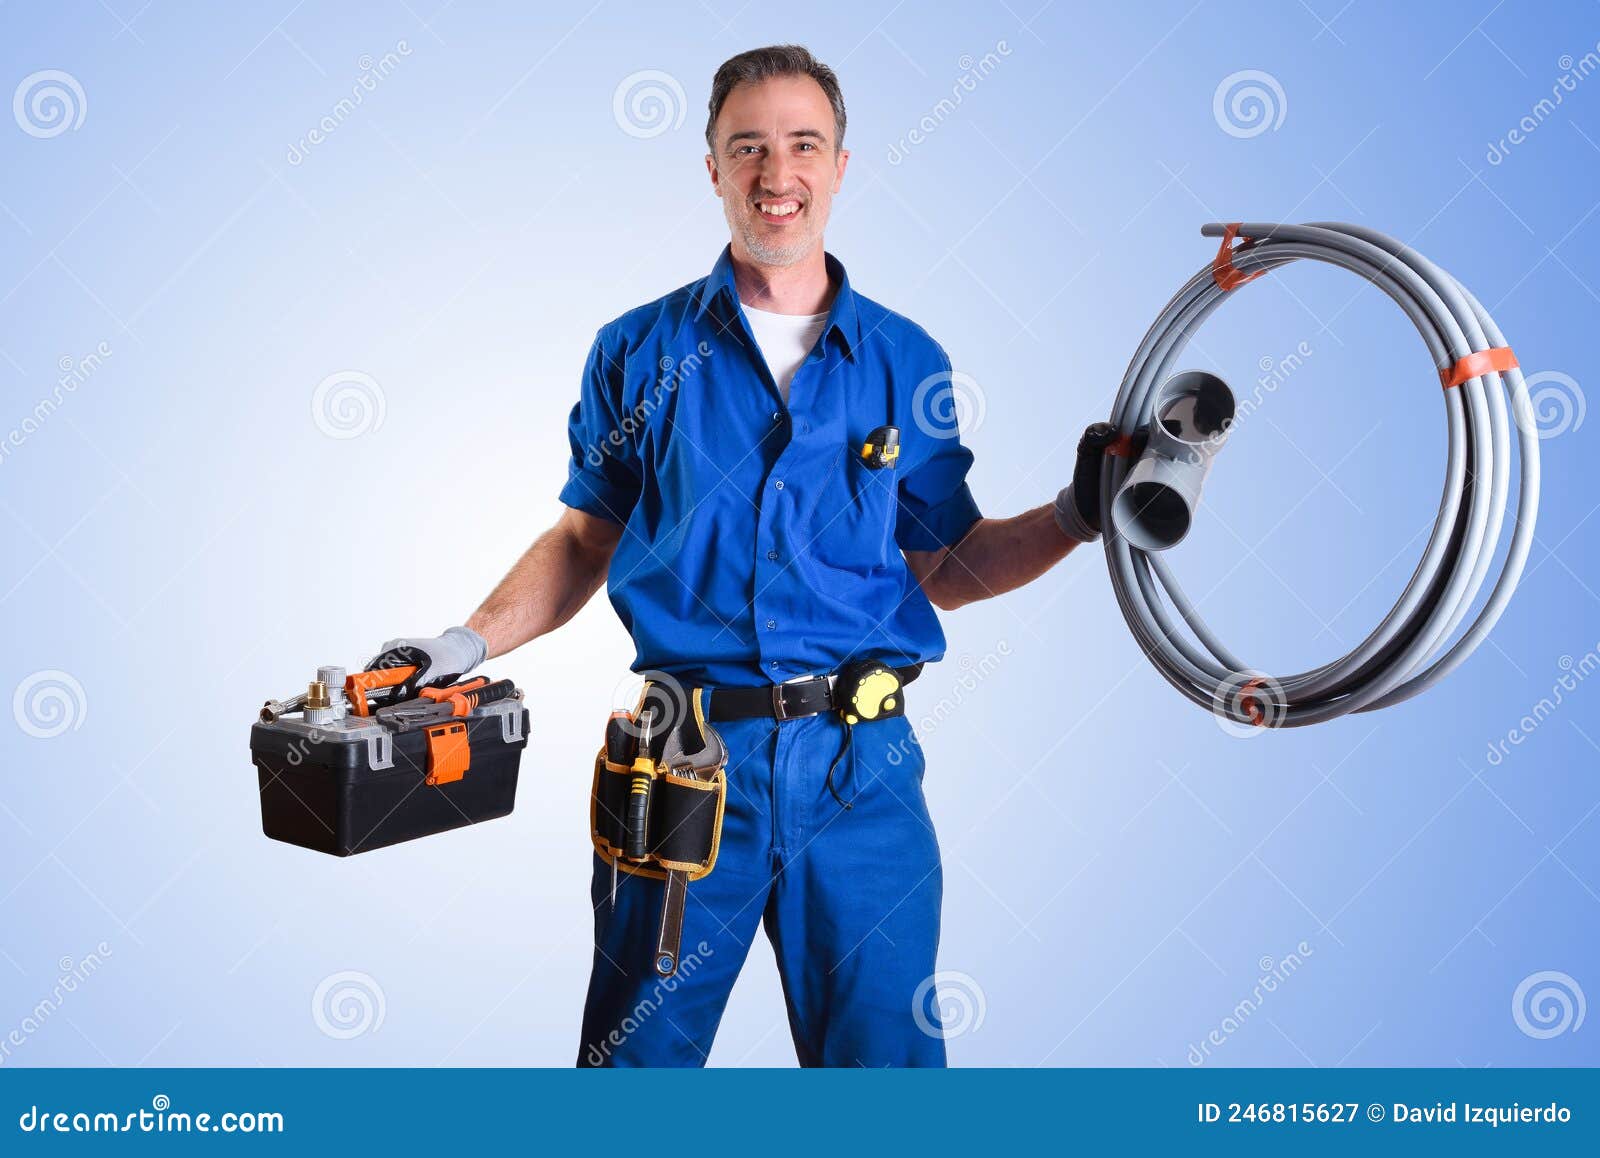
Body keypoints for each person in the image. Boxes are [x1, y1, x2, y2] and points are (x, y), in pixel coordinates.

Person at [370, 45, 1115, 1067]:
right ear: (713, 167)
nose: (778, 173)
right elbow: (583, 539)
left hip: (861, 777)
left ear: (840, 166)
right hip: (684, 765)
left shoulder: (905, 361)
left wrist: (1078, 514)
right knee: (635, 1075)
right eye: (749, 146)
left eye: (803, 145)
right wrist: (461, 644)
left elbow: (949, 567)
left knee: (888, 1079)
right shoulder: (638, 351)